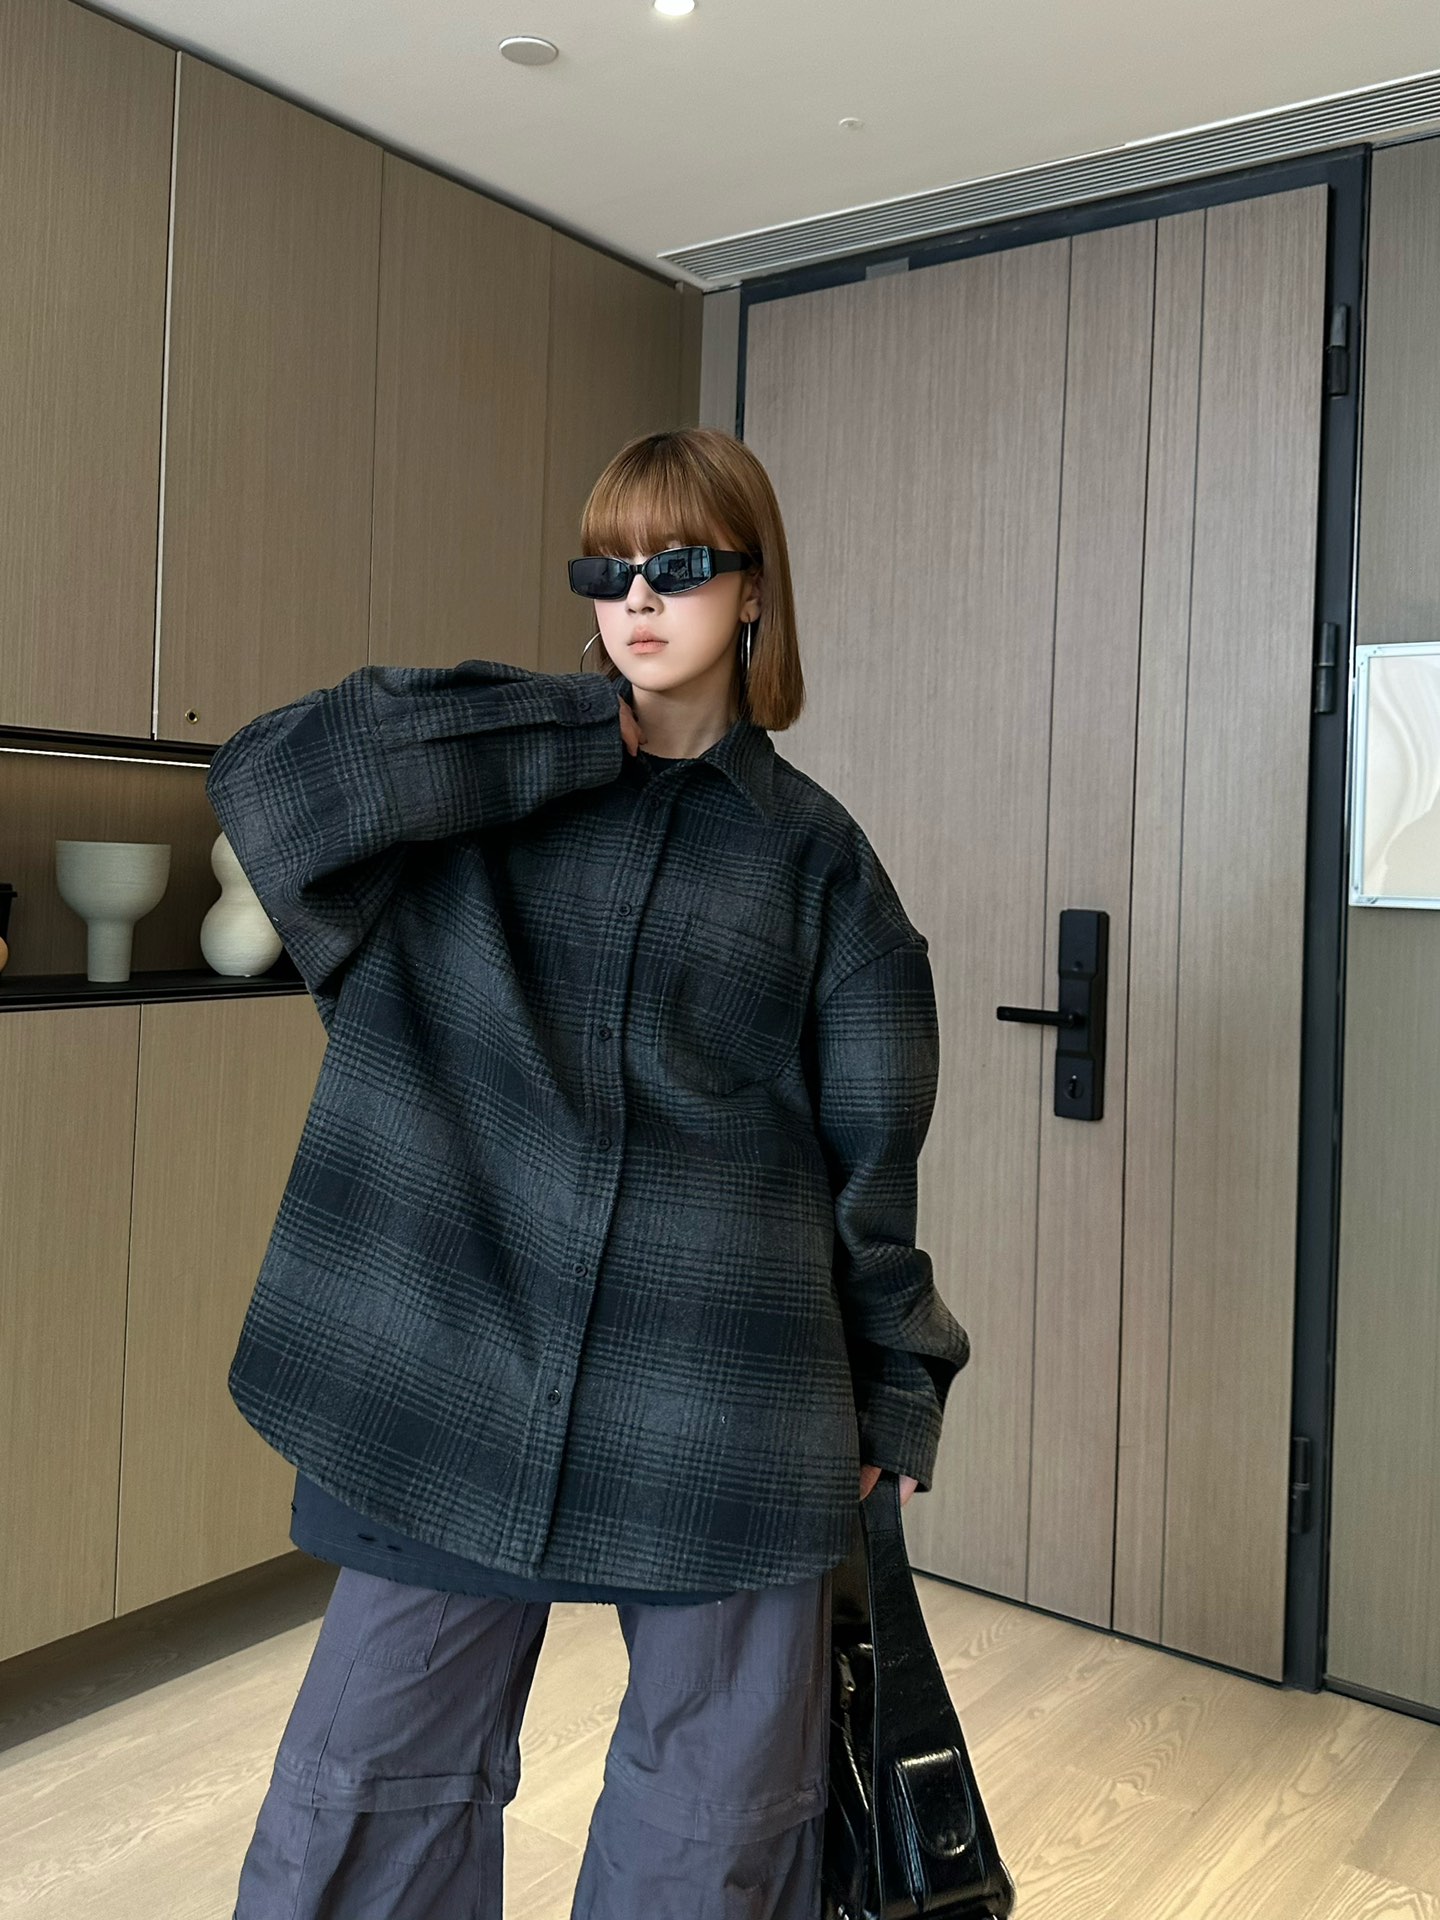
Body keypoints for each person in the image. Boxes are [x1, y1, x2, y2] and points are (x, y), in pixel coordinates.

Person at [212, 426, 972, 1919]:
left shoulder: (824, 868)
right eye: (607, 568)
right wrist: (567, 728)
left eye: (680, 564)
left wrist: (894, 1391)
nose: (639, 596)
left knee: (718, 1828)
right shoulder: (480, 802)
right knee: (362, 1797)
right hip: (453, 1373)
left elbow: (872, 1167)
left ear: (754, 593)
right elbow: (274, 783)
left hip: (723, 1398)